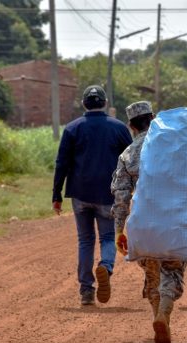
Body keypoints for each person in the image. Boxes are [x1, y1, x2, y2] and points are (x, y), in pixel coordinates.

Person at [111, 101, 186, 343]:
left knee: (152, 272)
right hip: (173, 219)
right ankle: (164, 312)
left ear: (131, 126)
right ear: (153, 118)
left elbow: (121, 197)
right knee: (172, 269)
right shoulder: (175, 146)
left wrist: (119, 231)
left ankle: (157, 315)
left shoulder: (128, 154)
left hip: (142, 224)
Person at [52, 85, 132, 306]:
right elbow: (132, 161)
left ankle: (86, 290)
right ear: (105, 103)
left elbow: (62, 163)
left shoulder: (72, 129)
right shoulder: (118, 128)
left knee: (85, 240)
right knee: (107, 237)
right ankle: (105, 266)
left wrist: (56, 194)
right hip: (108, 193)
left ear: (84, 104)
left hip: (79, 192)